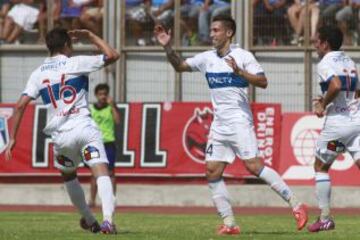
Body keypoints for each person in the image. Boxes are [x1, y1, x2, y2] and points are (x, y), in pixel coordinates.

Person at [154, 14, 308, 235]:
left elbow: (263, 81)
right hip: (219, 125)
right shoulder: (207, 58)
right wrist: (167, 46)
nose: (212, 34)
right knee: (212, 171)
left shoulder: (244, 56)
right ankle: (230, 224)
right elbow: (179, 66)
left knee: (254, 166)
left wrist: (240, 73)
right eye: (212, 30)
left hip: (239, 121)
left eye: (216, 30)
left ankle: (296, 204)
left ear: (229, 33)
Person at [4, 27, 120, 234]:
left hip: (61, 136)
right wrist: (91, 36)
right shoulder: (76, 62)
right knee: (101, 170)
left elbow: (20, 105)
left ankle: (88, 218)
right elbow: (113, 55)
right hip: (84, 128)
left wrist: (13, 138)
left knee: (69, 176)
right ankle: (108, 220)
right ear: (67, 45)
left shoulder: (38, 73)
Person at [308, 25, 360, 232]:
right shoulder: (349, 61)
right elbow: (356, 91)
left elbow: (336, 85)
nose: (314, 45)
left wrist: (323, 104)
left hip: (338, 128)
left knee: (320, 166)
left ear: (325, 43)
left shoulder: (325, 62)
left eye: (316, 42)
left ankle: (325, 218)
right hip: (357, 123)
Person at [88, 83, 120, 208]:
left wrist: (112, 106)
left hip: (108, 143)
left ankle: (112, 198)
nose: (102, 97)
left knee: (111, 172)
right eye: (100, 94)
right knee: (94, 173)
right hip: (95, 143)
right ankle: (92, 199)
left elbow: (117, 121)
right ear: (96, 95)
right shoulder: (91, 109)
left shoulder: (110, 108)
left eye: (105, 94)